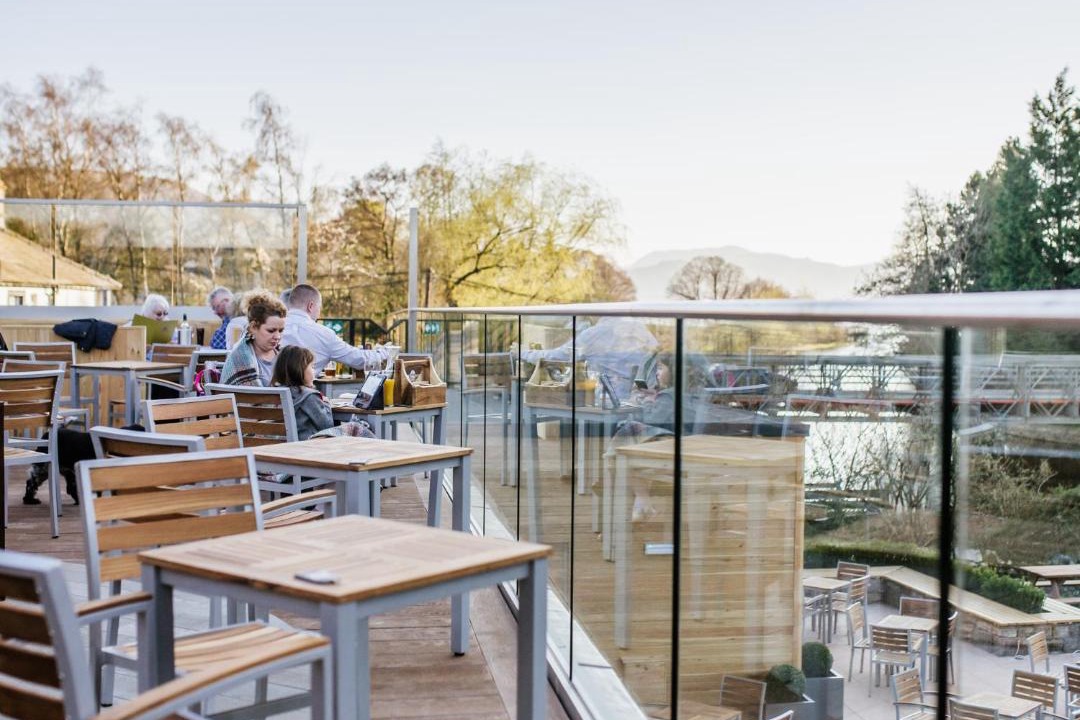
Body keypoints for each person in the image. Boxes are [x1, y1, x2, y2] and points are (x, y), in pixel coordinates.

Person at [519, 316, 659, 400]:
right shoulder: (638, 327)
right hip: (643, 397)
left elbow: (558, 356)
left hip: (610, 399)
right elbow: (655, 353)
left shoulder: (594, 334)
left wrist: (523, 353)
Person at [280, 283, 387, 373]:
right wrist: (385, 352)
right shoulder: (323, 334)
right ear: (311, 306)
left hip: (267, 394)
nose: (319, 313)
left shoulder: (271, 329)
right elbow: (359, 360)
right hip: (300, 396)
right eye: (319, 307)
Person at [220, 291, 287, 386]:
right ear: (253, 327)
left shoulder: (284, 355)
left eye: (281, 331)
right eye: (271, 331)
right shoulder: (240, 360)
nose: (277, 336)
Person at [271, 345, 334, 440]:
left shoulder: (275, 392)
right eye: (312, 367)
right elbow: (327, 425)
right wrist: (326, 403)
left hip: (276, 446)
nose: (314, 371)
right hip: (304, 447)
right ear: (300, 369)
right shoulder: (309, 396)